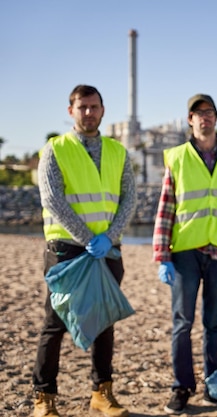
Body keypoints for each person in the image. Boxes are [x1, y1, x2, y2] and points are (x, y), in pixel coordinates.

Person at [33, 85, 136, 417]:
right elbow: (52, 199)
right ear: (71, 111)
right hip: (66, 251)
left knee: (104, 322)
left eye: (94, 107)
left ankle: (101, 392)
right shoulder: (54, 149)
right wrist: (87, 237)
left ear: (103, 110)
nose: (88, 112)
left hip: (106, 251)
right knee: (54, 323)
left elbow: (129, 199)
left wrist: (110, 236)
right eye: (82, 107)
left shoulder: (118, 152)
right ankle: (44, 397)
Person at [153, 93, 217, 415]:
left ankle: (213, 384)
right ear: (190, 120)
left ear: (216, 117)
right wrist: (161, 254)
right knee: (182, 323)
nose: (204, 118)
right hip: (185, 251)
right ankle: (181, 387)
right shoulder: (177, 157)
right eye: (198, 113)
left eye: (209, 112)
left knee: (213, 324)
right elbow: (166, 206)